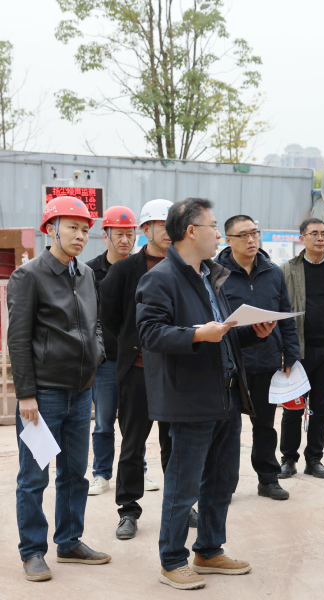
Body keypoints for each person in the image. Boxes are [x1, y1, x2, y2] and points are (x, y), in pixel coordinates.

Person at [136, 197, 274, 590]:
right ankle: (171, 560)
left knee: (222, 480)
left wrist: (252, 333)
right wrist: (197, 334)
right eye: (214, 226)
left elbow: (221, 334)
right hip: (190, 397)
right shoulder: (161, 279)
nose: (219, 234)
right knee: (184, 485)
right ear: (191, 231)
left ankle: (209, 550)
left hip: (226, 394)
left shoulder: (211, 275)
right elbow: (150, 333)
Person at [8, 196, 111, 582]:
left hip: (81, 392)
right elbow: (18, 339)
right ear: (51, 229)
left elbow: (95, 322)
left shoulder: (86, 274)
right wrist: (26, 394)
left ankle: (69, 542)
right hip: (44, 396)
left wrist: (97, 353)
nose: (81, 235)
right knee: (34, 476)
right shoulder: (29, 276)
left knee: (75, 473)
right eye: (72, 227)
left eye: (85, 229)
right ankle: (33, 551)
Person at [100, 199, 188, 540]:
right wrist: (133, 343)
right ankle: (128, 510)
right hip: (137, 371)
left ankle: (180, 505)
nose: (169, 232)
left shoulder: (185, 267)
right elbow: (110, 317)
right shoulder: (124, 270)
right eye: (162, 225)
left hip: (175, 370)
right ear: (146, 229)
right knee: (133, 444)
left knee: (175, 443)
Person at [216, 214, 300, 501]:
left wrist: (291, 355)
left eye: (254, 233)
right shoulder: (216, 273)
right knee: (228, 429)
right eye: (243, 235)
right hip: (231, 364)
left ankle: (268, 479)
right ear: (228, 240)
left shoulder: (273, 272)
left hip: (266, 360)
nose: (251, 239)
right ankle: (224, 485)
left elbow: (286, 316)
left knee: (265, 425)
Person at [279, 217, 324, 480]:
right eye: (314, 234)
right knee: (293, 408)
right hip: (298, 351)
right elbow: (280, 309)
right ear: (302, 238)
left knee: (321, 408)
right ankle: (288, 459)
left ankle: (314, 459)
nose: (320, 238)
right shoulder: (287, 270)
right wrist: (285, 350)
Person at [86, 206, 143, 497]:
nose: (125, 240)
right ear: (105, 235)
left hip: (136, 359)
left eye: (130, 234)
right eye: (119, 234)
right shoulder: (89, 271)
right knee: (104, 422)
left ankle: (139, 470)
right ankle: (101, 473)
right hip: (107, 360)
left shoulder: (142, 269)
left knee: (137, 421)